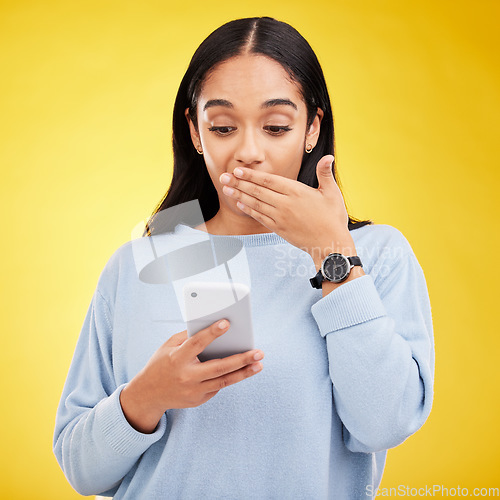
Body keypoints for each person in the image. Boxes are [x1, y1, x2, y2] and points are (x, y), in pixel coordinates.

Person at [53, 16, 434, 499]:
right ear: (195, 132)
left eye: (276, 127)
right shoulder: (146, 259)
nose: (248, 151)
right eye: (223, 126)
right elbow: (82, 472)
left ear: (312, 129)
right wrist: (144, 399)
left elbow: (384, 424)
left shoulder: (375, 253)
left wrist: (331, 251)